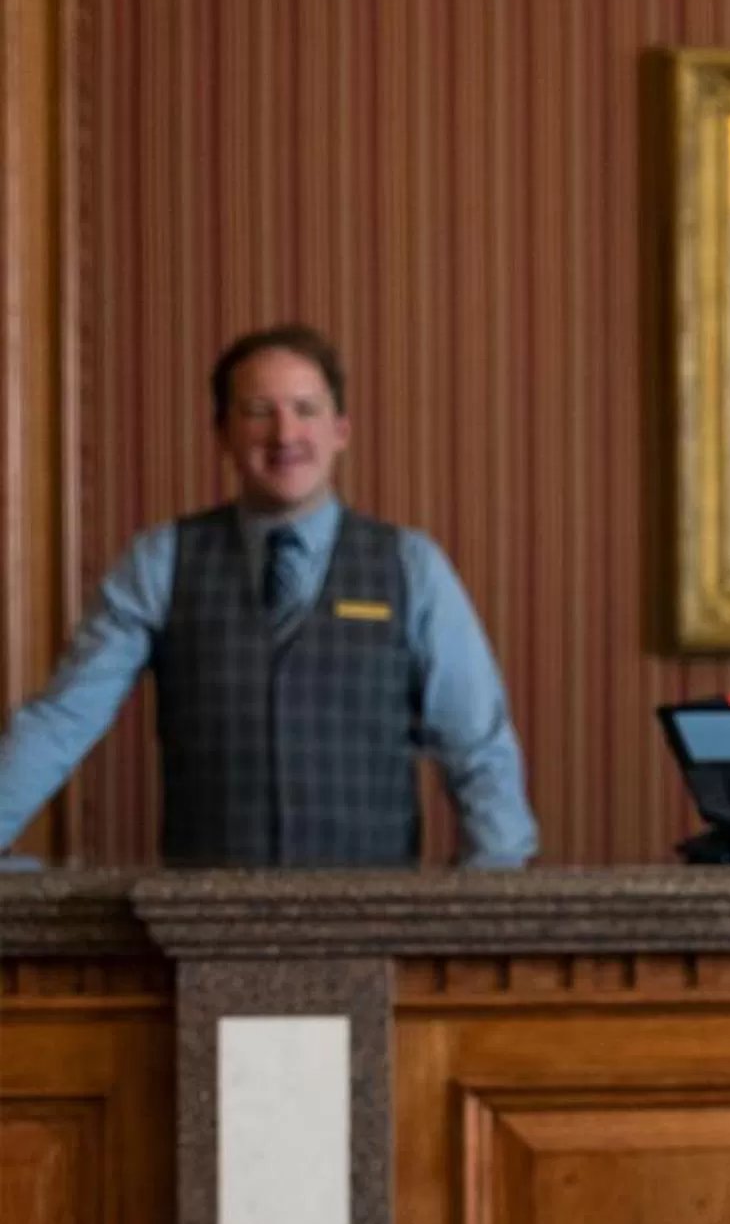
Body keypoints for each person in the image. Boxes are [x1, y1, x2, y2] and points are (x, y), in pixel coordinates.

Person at [0, 324, 536, 867]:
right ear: (223, 433)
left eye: (306, 409)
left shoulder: (412, 565)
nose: (285, 434)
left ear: (341, 430)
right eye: (259, 411)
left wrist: (494, 882)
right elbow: (63, 720)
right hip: (201, 910)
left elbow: (478, 744)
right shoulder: (159, 561)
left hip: (373, 908)